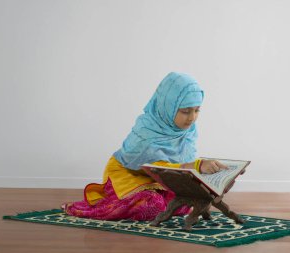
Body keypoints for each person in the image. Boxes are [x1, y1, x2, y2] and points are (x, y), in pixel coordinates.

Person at [62, 72, 228, 221]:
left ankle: (161, 201)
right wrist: (198, 166)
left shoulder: (187, 131)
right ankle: (94, 208)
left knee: (184, 202)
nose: (192, 118)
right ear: (168, 106)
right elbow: (155, 167)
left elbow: (181, 168)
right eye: (185, 111)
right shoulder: (146, 131)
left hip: (160, 179)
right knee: (152, 204)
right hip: (128, 175)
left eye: (197, 110)